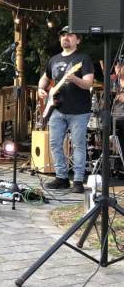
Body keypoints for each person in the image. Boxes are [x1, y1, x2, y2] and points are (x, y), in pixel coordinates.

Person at [37, 26, 94, 193]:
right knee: (55, 144)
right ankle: (61, 177)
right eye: (63, 35)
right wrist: (41, 89)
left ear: (78, 40)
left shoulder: (83, 59)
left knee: (78, 145)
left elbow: (88, 83)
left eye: (70, 35)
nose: (65, 38)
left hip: (79, 110)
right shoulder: (54, 59)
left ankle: (77, 180)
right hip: (57, 109)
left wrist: (74, 78)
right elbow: (45, 78)